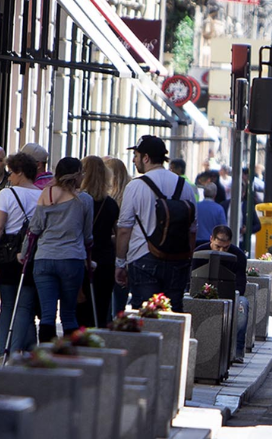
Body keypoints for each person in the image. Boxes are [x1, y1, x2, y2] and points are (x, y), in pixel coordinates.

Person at [115, 135, 197, 313]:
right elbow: (192, 230)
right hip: (177, 259)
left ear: (146, 158)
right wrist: (187, 259)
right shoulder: (185, 186)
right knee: (174, 314)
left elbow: (124, 229)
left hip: (143, 257)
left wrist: (120, 263)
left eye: (136, 155)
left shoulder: (135, 186)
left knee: (145, 314)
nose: (134, 160)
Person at [23, 157, 94, 343]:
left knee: (47, 315)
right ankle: (68, 357)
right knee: (69, 314)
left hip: (45, 258)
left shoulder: (47, 194)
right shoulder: (84, 200)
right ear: (77, 175)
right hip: (72, 258)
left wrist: (23, 254)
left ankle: (46, 357)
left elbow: (34, 229)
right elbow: (87, 235)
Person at [0, 152, 41, 353]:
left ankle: (3, 352)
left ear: (21, 172)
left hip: (7, 255)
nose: (9, 177)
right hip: (32, 255)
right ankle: (19, 352)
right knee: (25, 307)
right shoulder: (42, 195)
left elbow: (0, 226)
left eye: (11, 172)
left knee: (7, 305)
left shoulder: (6, 194)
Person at [192, 225, 249, 360]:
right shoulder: (199, 252)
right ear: (211, 239)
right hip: (201, 293)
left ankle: (238, 349)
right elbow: (191, 279)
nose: (222, 251)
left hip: (230, 294)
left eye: (225, 248)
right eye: (218, 247)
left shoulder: (239, 255)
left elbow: (241, 284)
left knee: (243, 305)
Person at [76, 156, 120, 329]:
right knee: (100, 309)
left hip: (81, 257)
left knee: (78, 309)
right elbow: (117, 232)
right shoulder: (110, 204)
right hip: (105, 260)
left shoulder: (77, 201)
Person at [103, 156, 131, 314]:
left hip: (109, 254)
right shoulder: (130, 193)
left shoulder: (106, 199)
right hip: (126, 253)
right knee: (119, 304)